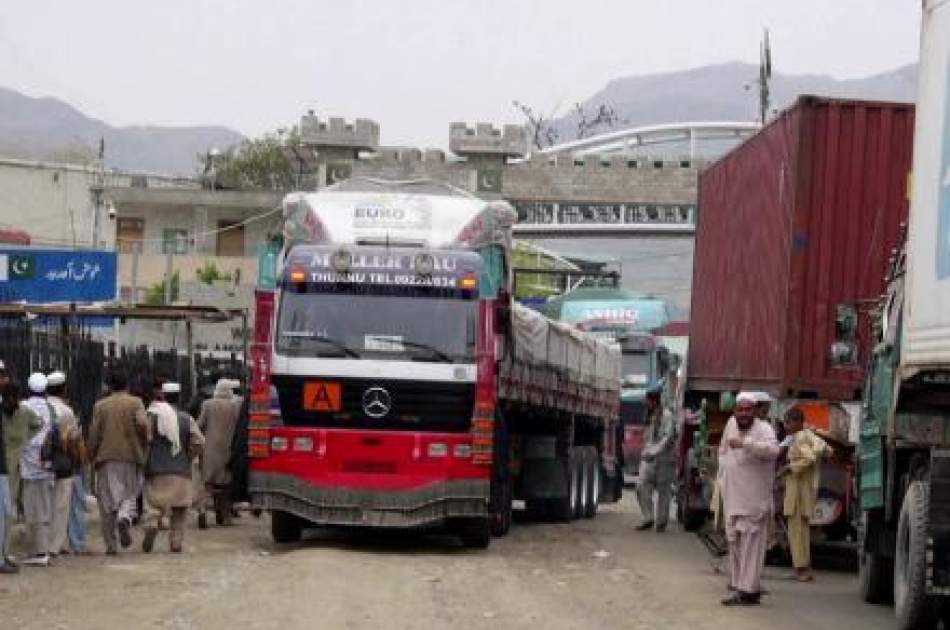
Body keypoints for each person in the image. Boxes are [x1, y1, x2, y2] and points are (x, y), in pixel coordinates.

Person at [718, 392, 780, 606]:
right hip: (732, 497)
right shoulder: (730, 424)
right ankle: (740, 586)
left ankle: (747, 590)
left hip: (754, 500)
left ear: (755, 411)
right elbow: (723, 452)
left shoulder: (764, 429)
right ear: (735, 410)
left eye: (748, 410)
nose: (743, 414)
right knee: (734, 543)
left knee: (751, 547)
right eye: (740, 409)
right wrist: (722, 481)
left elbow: (774, 451)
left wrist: (748, 443)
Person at [88, 369, 148, 554]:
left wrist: (92, 453)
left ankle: (111, 545)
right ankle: (124, 518)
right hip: (131, 455)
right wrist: (143, 444)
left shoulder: (100, 405)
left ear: (110, 386)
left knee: (106, 501)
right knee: (129, 493)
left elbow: (95, 433)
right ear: (127, 385)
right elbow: (143, 425)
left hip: (105, 457)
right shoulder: (135, 402)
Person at [143, 382, 204, 553]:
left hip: (157, 469)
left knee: (154, 503)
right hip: (180, 471)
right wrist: (188, 455)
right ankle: (176, 542)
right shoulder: (187, 418)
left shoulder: (152, 416)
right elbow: (199, 441)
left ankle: (152, 524)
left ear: (163, 396)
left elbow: (145, 440)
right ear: (179, 397)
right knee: (179, 509)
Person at [779, 406, 831, 582]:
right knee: (802, 530)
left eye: (788, 422)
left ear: (797, 422)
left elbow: (809, 458)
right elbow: (827, 450)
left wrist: (789, 467)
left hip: (798, 491)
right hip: (806, 489)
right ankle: (804, 568)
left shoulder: (800, 438)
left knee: (797, 531)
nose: (785, 426)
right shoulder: (809, 436)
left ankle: (800, 570)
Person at [45, 371, 84, 556]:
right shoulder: (67, 412)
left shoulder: (40, 407)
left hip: (40, 464)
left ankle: (41, 543)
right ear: (63, 389)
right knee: (60, 507)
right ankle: (55, 546)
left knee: (44, 505)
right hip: (63, 465)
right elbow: (74, 439)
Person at [20, 373, 55, 566]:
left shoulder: (24, 407)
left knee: (33, 510)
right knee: (44, 507)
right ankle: (41, 549)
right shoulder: (50, 408)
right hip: (47, 463)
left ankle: (39, 551)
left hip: (28, 465)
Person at [197, 378, 241, 527]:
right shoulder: (235, 407)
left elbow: (199, 425)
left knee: (207, 484)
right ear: (228, 391)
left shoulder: (207, 404)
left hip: (210, 451)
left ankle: (202, 510)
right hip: (228, 451)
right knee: (226, 486)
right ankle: (226, 516)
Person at [636, 387, 677, 532]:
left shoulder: (667, 416)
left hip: (664, 459)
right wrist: (647, 452)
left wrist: (654, 451)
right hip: (649, 459)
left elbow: (667, 437)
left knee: (663, 492)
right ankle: (648, 517)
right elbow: (647, 438)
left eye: (648, 401)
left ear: (654, 400)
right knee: (641, 486)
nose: (646, 403)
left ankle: (661, 523)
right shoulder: (649, 415)